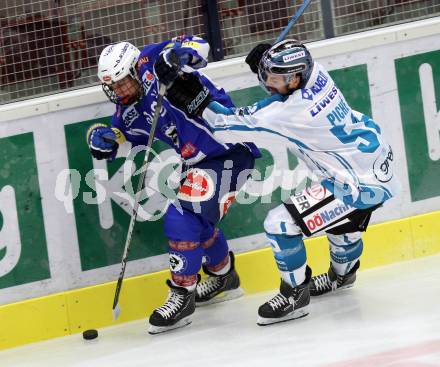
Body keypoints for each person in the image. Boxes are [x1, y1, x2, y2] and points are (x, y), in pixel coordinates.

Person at [163, 39, 400, 326]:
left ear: (296, 78)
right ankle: (343, 275)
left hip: (355, 184)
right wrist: (270, 60)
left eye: (275, 79)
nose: (268, 83)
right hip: (375, 164)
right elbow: (287, 68)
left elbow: (225, 127)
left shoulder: (291, 112)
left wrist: (197, 100)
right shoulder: (318, 74)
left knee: (280, 223)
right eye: (266, 76)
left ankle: (294, 295)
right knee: (342, 225)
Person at [86, 35, 261, 334]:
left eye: (122, 82)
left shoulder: (153, 58)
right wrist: (102, 138)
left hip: (230, 149)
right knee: (198, 224)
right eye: (112, 87)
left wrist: (177, 59)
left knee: (180, 213)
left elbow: (200, 47)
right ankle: (224, 277)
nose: (119, 91)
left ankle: (182, 293)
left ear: (134, 71)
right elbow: (121, 138)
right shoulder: (128, 109)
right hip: (200, 163)